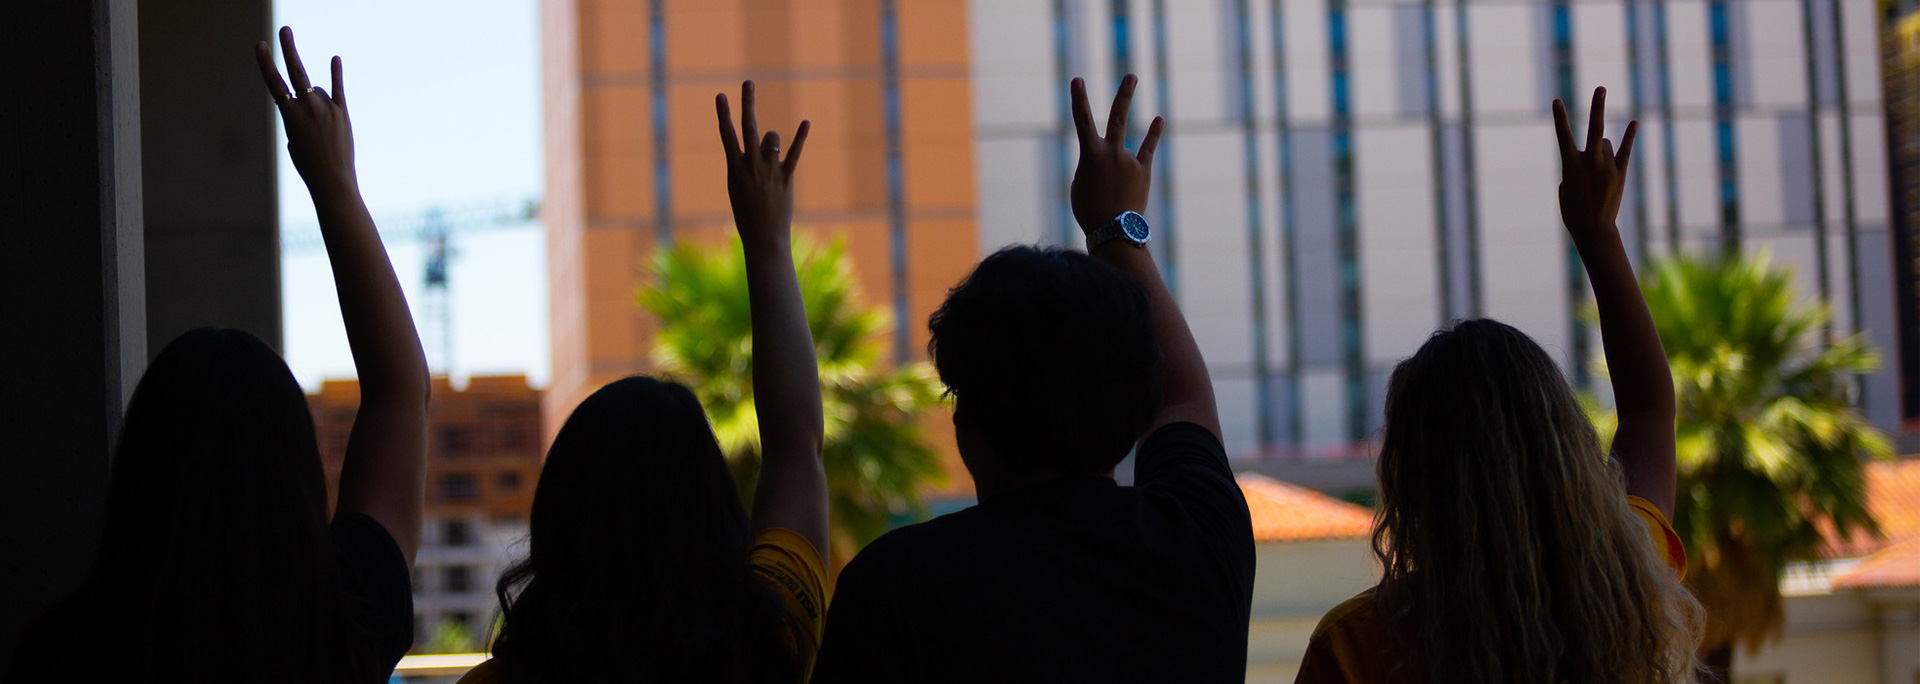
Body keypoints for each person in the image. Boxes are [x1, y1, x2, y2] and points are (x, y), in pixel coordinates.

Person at [4, 28, 427, 683]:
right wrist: (335, 185)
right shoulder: (346, 622)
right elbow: (400, 392)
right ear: (298, 475)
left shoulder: (61, 651)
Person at [809, 75, 1256, 683]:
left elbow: (1177, 396)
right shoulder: (1198, 545)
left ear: (967, 421)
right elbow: (1184, 395)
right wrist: (1113, 224)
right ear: (1132, 401)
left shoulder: (896, 588)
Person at [1293, 88, 1704, 684]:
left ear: (1413, 481)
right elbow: (1647, 411)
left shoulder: (1357, 645)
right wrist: (1598, 236)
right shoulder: (1629, 582)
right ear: (1564, 449)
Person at [456, 81, 828, 684]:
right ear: (714, 508)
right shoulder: (771, 640)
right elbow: (797, 447)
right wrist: (768, 243)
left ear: (560, 517)